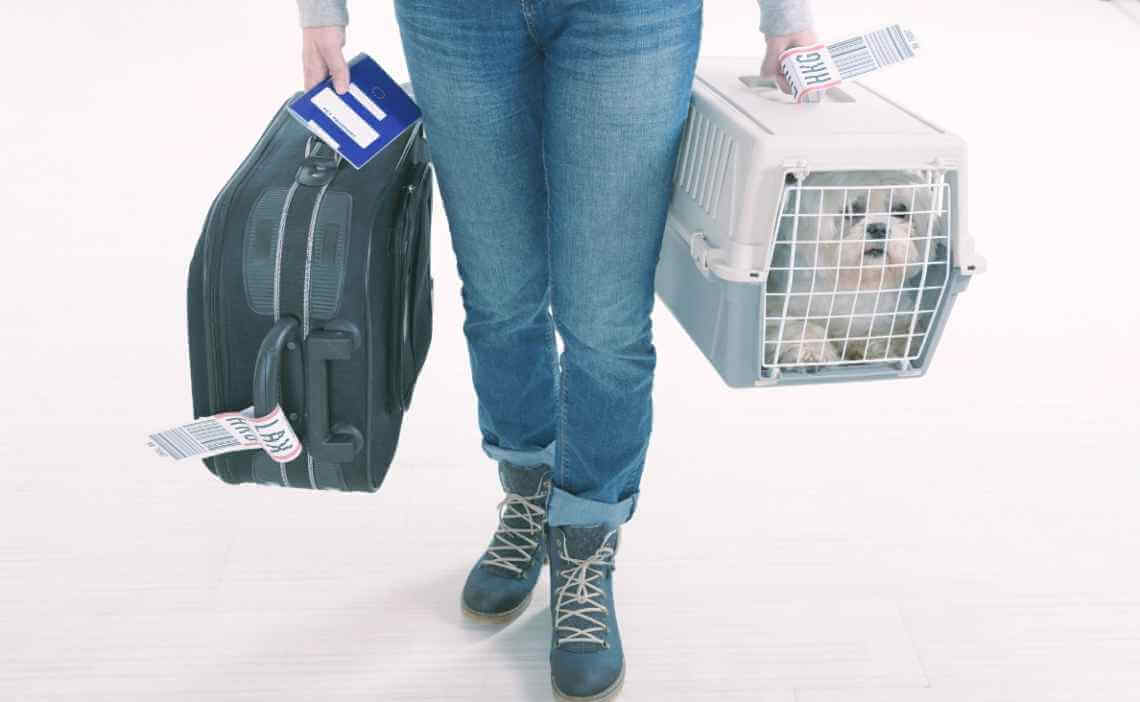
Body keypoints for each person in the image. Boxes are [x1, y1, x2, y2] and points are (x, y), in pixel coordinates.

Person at [295, 1, 815, 699]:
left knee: (604, 320)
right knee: (501, 295)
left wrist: (785, 15)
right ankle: (529, 492)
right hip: (455, 19)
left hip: (630, 17)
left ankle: (585, 535)